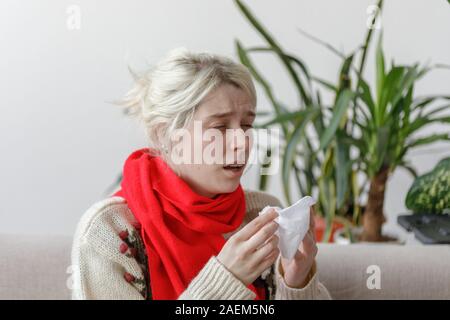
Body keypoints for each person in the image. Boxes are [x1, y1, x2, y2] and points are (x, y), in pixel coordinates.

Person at [71, 48, 331, 300]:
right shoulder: (109, 232)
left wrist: (296, 283)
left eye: (247, 124)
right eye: (220, 126)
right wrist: (225, 281)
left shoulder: (262, 213)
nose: (242, 142)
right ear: (165, 134)